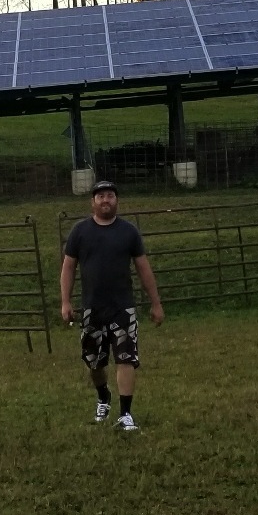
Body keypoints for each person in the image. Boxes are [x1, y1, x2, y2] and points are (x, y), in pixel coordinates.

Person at [60, 179, 164, 431]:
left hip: (123, 308)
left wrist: (155, 303)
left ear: (117, 201)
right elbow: (68, 267)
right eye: (100, 196)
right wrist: (65, 301)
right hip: (92, 308)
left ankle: (125, 413)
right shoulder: (80, 232)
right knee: (95, 362)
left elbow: (143, 268)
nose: (105, 200)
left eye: (110, 196)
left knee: (126, 358)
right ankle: (103, 396)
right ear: (92, 202)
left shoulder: (128, 232)